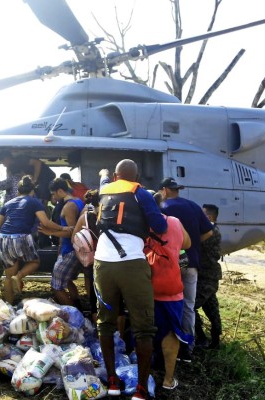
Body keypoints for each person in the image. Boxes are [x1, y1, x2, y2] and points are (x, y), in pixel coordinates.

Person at [94, 159, 167, 400]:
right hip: (132, 264)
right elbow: (160, 225)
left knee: (105, 322)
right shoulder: (140, 192)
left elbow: (103, 179)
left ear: (116, 177)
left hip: (102, 264)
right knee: (143, 327)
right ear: (136, 178)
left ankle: (112, 381)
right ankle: (141, 390)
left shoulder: (105, 189)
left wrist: (104, 173)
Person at [159, 177, 213, 363]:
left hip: (169, 264)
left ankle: (166, 345)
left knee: (165, 302)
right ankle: (187, 348)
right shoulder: (193, 206)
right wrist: (193, 244)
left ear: (164, 190)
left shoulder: (162, 208)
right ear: (177, 190)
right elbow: (209, 232)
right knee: (188, 306)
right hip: (191, 263)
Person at [146, 191, 193, 391]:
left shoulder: (136, 226)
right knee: (171, 333)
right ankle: (168, 379)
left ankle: (144, 376)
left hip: (145, 287)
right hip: (172, 287)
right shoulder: (174, 221)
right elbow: (187, 244)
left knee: (145, 331)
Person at [0, 175, 68, 304]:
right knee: (35, 262)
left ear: (18, 191)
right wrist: (63, 228)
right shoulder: (34, 201)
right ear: (32, 190)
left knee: (8, 276)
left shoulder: (8, 203)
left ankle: (9, 307)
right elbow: (45, 222)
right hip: (22, 237)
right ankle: (19, 276)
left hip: (4, 239)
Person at [39, 178, 84, 307]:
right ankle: (78, 306)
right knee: (67, 281)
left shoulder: (68, 206)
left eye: (53, 194)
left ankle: (72, 313)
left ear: (60, 191)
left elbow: (72, 232)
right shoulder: (78, 201)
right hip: (70, 249)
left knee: (56, 286)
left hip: (69, 250)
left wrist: (51, 232)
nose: (53, 197)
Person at [195, 204, 223, 349]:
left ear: (209, 217)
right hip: (207, 276)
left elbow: (196, 242)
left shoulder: (211, 232)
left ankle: (201, 338)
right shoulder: (211, 230)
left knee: (190, 307)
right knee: (211, 308)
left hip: (207, 277)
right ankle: (215, 341)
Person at [72, 189, 100, 322]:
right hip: (111, 259)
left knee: (95, 299)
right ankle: (120, 336)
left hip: (91, 259)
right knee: (116, 301)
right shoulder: (111, 215)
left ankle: (98, 332)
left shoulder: (85, 217)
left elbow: (74, 238)